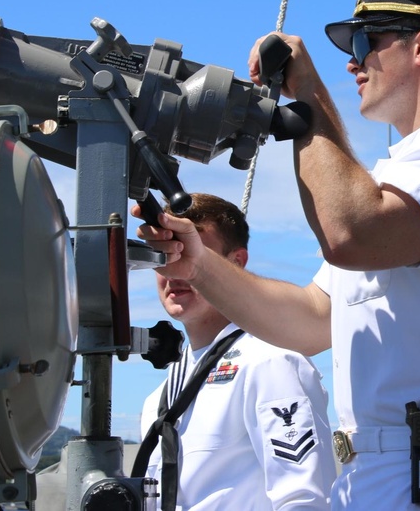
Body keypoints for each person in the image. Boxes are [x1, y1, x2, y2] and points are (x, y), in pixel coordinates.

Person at [135, 0, 420, 509]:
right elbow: (308, 321)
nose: (352, 63)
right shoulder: (395, 180)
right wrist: (199, 262)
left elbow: (349, 231)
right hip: (378, 478)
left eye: (363, 42)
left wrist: (308, 97)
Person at [138, 193, 336, 510]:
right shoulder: (158, 399)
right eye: (164, 256)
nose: (174, 271)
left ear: (237, 262)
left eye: (187, 253)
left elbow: (304, 499)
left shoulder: (271, 362)